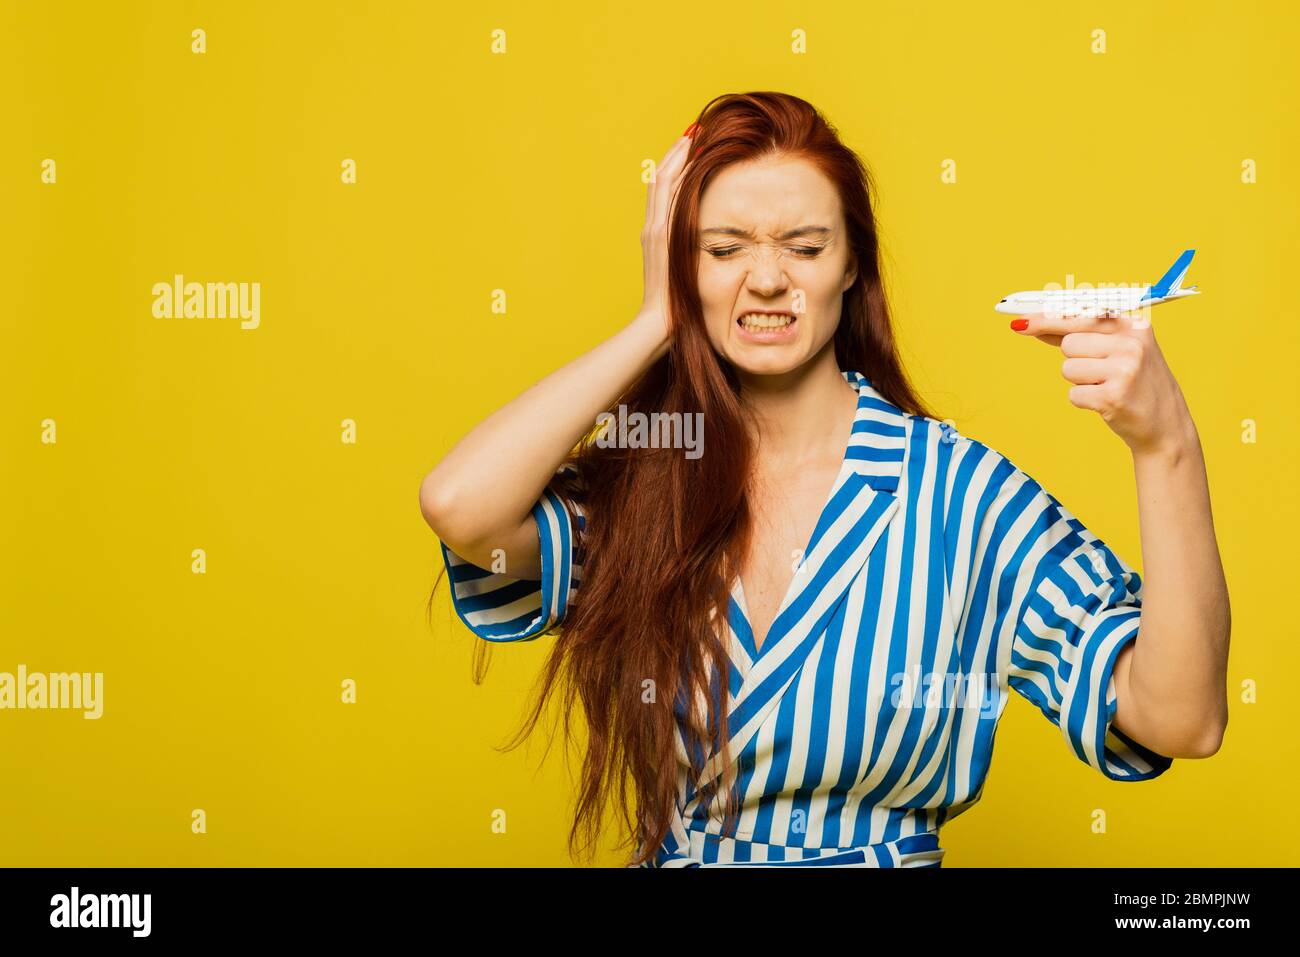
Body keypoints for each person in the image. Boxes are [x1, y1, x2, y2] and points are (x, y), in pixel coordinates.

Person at [419, 91, 1230, 867]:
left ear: (851, 265)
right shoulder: (648, 485)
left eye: (804, 247)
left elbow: (1180, 717)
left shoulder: (954, 494)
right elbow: (461, 507)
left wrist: (1167, 448)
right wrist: (655, 321)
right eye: (723, 248)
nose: (766, 280)